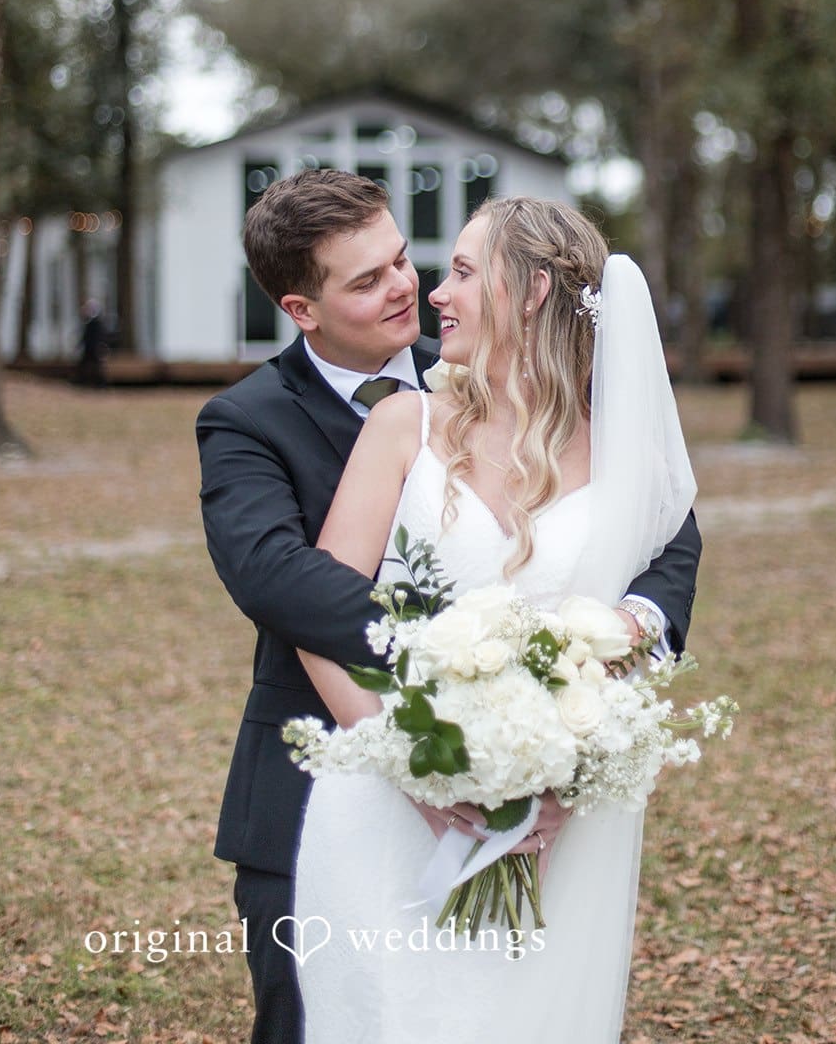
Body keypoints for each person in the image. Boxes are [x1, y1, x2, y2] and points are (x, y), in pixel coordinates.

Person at [197, 174, 700, 1044]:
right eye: (367, 281)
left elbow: (671, 544)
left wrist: (567, 726)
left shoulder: (544, 399)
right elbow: (281, 582)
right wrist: (437, 723)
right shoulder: (265, 422)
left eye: (408, 260)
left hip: (545, 807)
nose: (411, 289)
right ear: (301, 308)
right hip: (333, 782)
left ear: (529, 291)